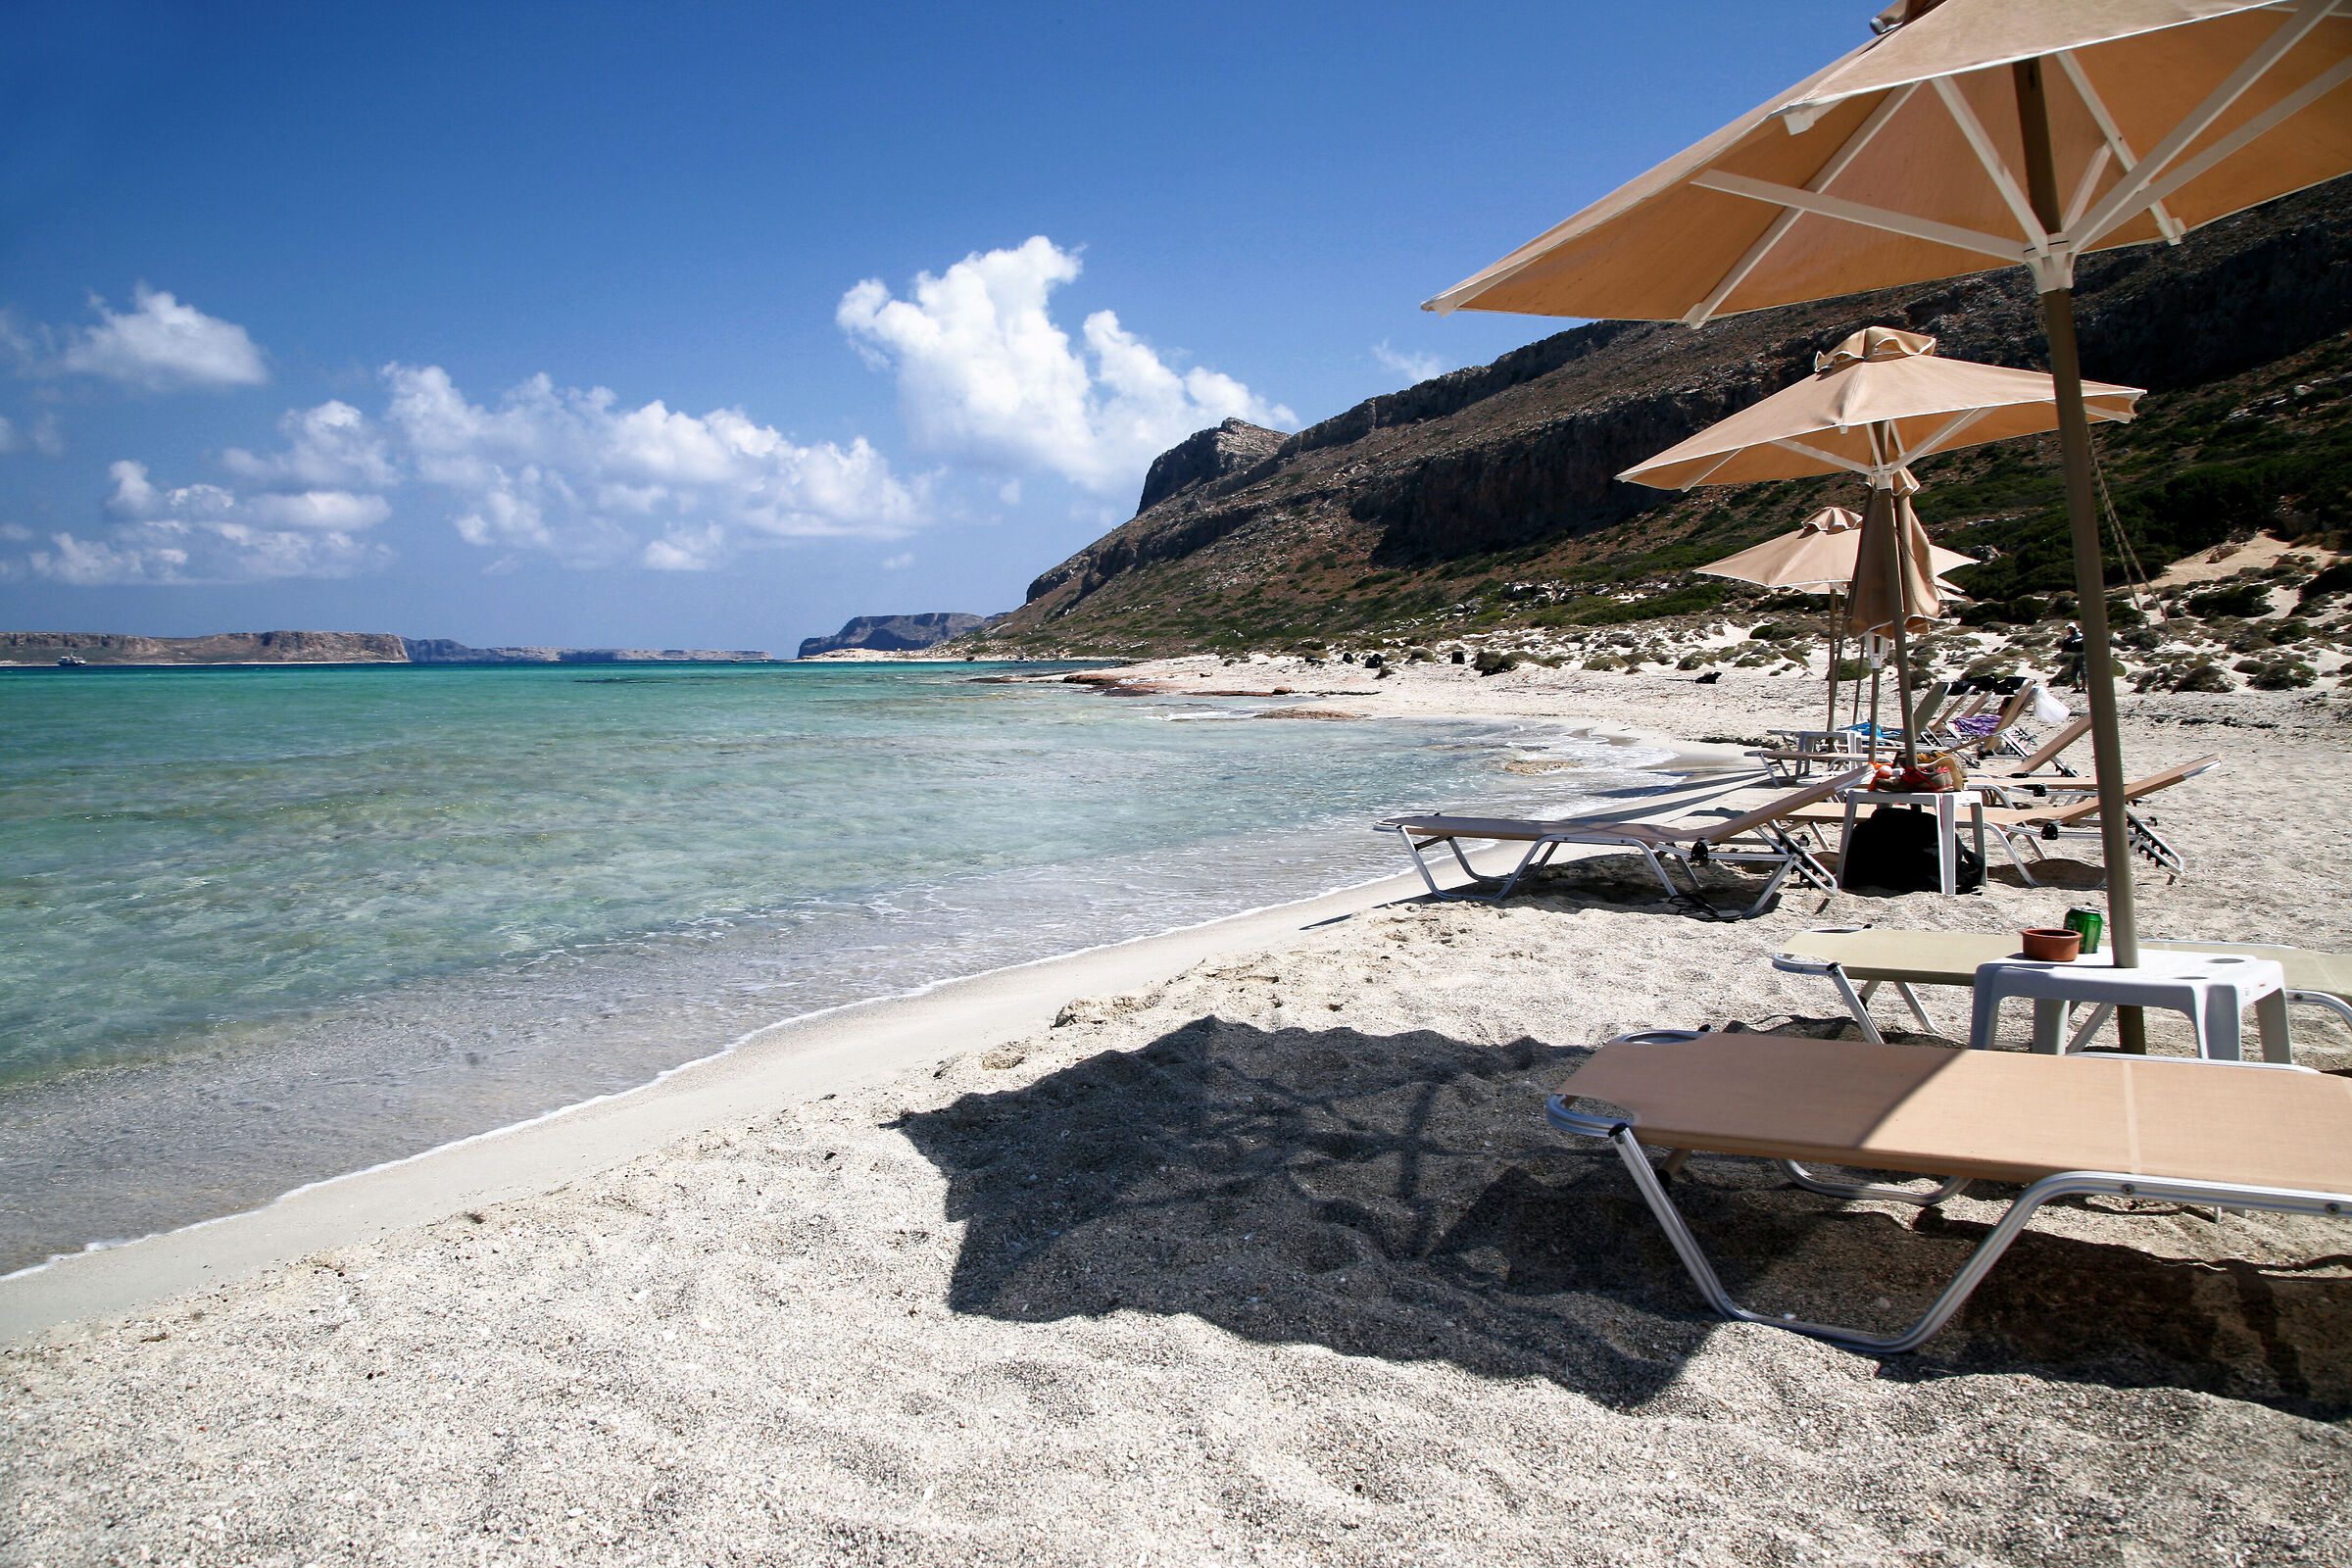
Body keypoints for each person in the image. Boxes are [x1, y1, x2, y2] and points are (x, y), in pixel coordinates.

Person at [2058, 621, 2086, 690]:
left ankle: (2083, 688)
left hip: (2082, 656)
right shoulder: (2070, 639)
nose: (2070, 630)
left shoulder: (2081, 636)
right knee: (2074, 673)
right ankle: (2077, 688)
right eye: (2068, 629)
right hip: (2075, 656)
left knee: (2083, 673)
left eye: (2071, 628)